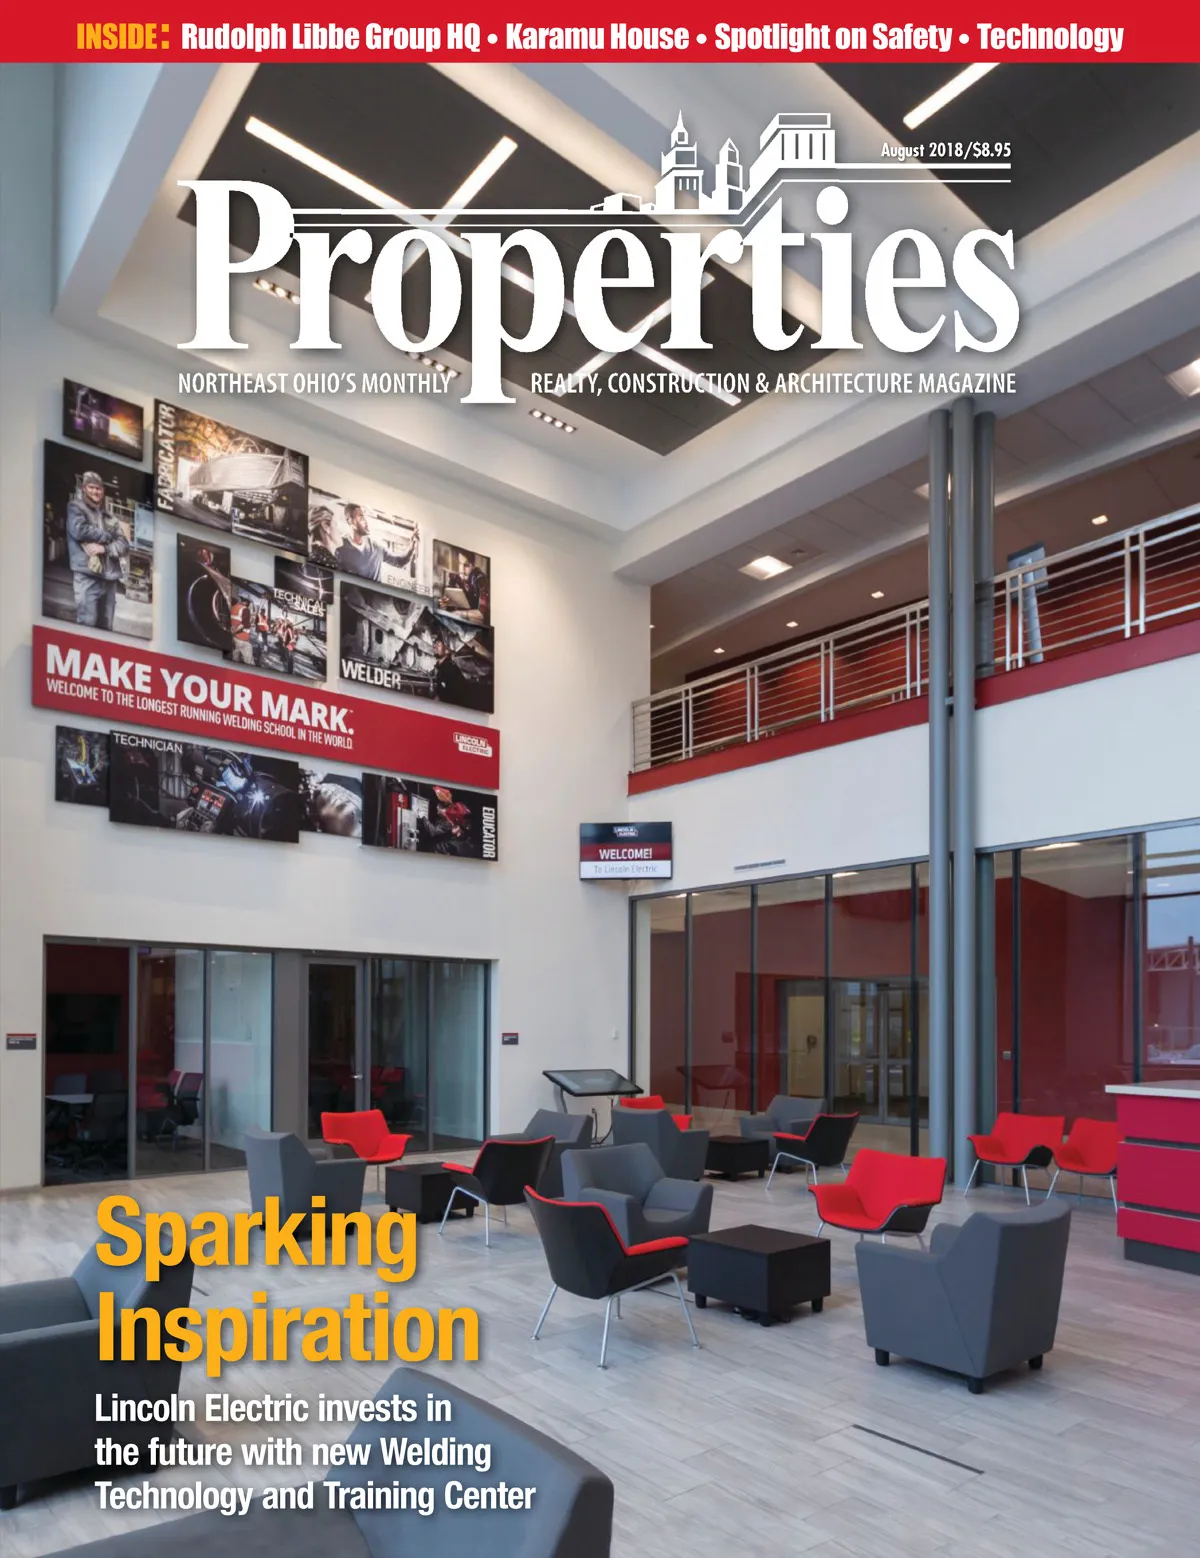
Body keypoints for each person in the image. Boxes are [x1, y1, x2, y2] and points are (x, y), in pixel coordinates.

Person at [66, 471, 128, 630]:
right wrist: (108, 536)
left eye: (98, 488)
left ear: (103, 491)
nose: (95, 491)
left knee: (106, 627)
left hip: (109, 580)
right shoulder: (75, 507)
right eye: (91, 487)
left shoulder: (110, 517)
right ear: (84, 488)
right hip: (87, 577)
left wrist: (104, 548)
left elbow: (123, 544)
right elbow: (79, 530)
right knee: (87, 624)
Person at [334, 503, 418, 582]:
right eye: (361, 518)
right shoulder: (339, 548)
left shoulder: (376, 548)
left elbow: (399, 562)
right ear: (351, 521)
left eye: (365, 517)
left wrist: (411, 548)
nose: (366, 521)